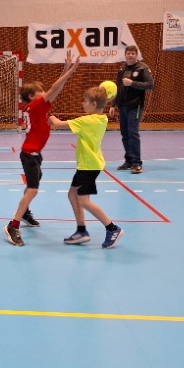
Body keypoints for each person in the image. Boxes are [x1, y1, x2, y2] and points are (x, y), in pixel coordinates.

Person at [4, 50, 80, 246]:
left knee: (35, 182)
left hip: (34, 154)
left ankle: (25, 212)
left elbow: (56, 89)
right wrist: (71, 70)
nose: (45, 93)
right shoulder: (36, 106)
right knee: (33, 189)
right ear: (32, 96)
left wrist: (65, 68)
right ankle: (13, 225)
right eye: (41, 91)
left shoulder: (38, 106)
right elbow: (55, 88)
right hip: (29, 154)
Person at [50, 85, 123, 249]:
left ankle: (112, 228)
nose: (83, 103)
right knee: (72, 194)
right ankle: (81, 231)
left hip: (88, 166)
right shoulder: (102, 119)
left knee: (83, 200)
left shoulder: (86, 121)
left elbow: (59, 124)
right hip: (89, 165)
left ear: (94, 104)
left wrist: (50, 115)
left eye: (85, 101)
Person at [110, 45, 153, 174]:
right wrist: (113, 105)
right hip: (122, 106)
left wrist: (132, 83)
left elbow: (150, 85)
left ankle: (136, 163)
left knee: (132, 133)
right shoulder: (122, 69)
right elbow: (117, 88)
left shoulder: (142, 68)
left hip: (135, 106)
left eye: (133, 53)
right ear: (125, 55)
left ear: (136, 55)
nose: (130, 55)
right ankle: (128, 161)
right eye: (128, 53)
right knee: (125, 134)